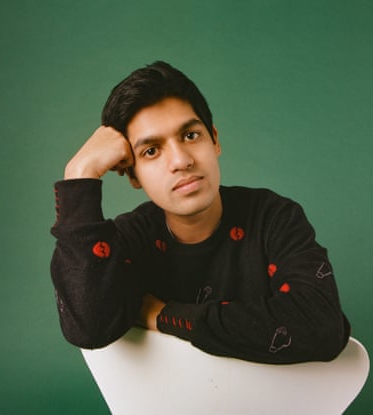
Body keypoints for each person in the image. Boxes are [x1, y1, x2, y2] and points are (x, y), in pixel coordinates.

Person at [50, 61, 350, 364]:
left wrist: (161, 314)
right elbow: (88, 329)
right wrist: (79, 176)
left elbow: (322, 326)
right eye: (151, 151)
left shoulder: (274, 218)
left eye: (191, 136)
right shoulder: (129, 240)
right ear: (133, 176)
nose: (181, 161)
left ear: (215, 139)